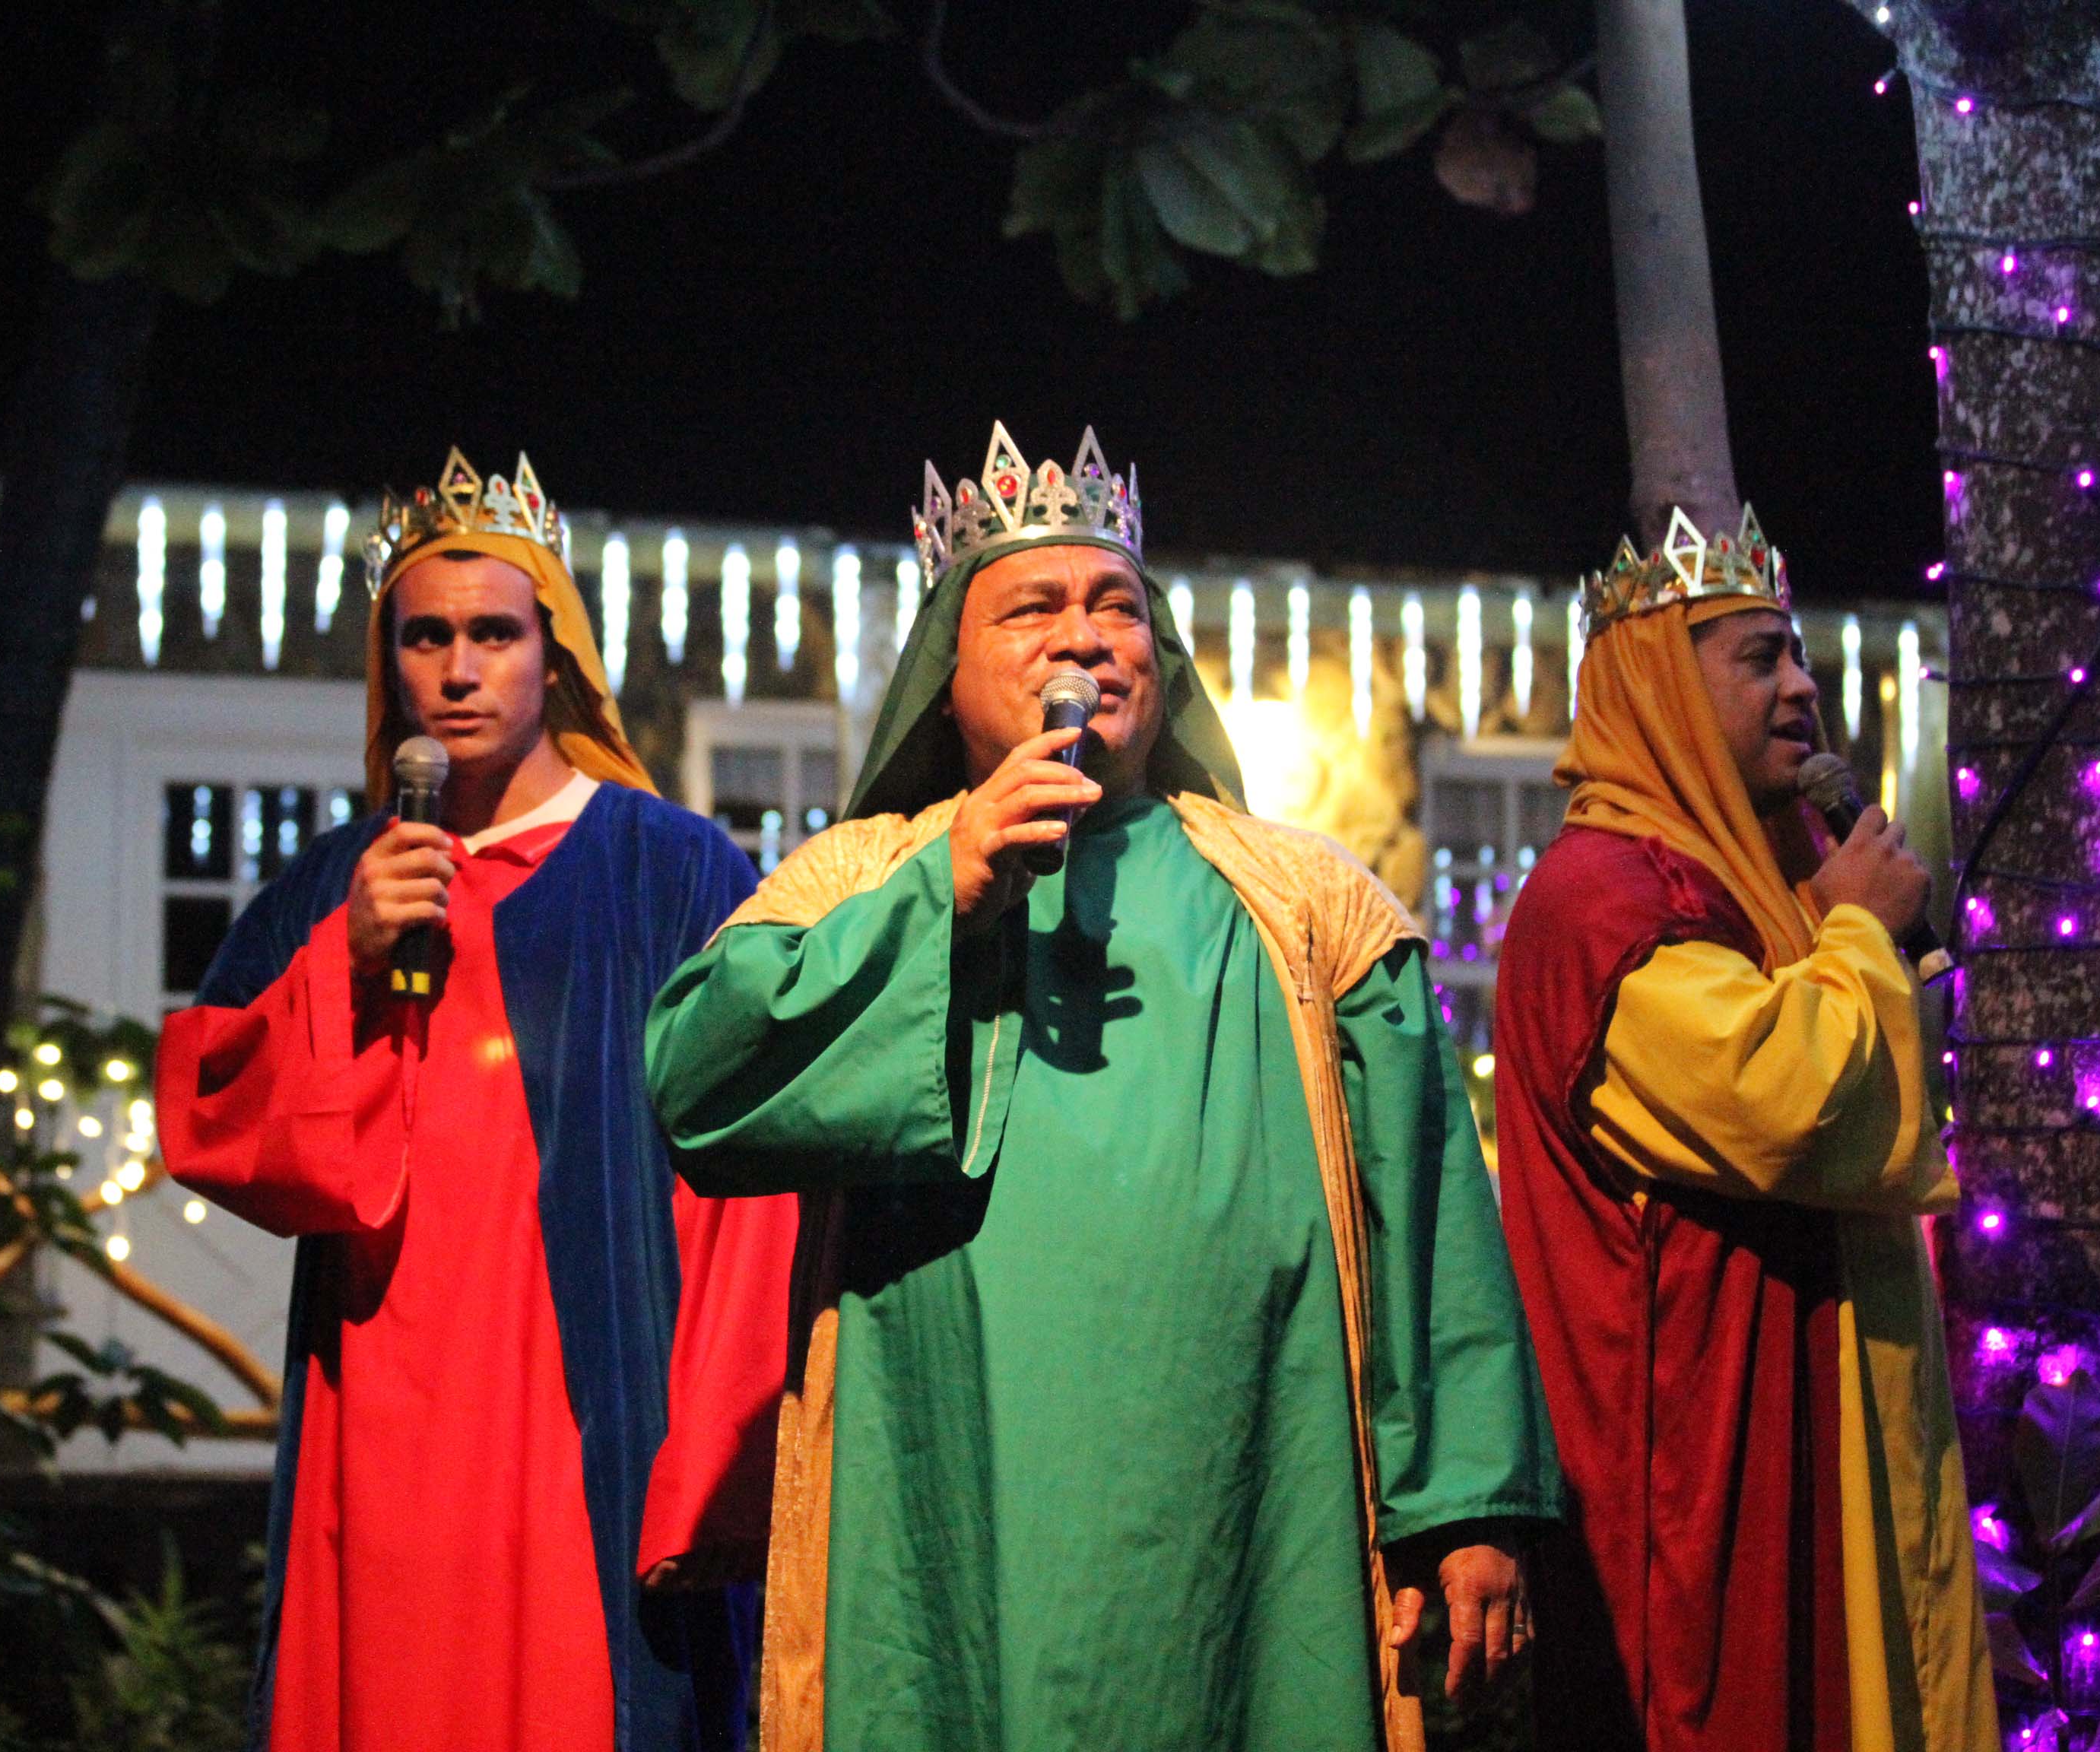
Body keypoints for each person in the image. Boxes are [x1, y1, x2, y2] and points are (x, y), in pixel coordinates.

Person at [642, 424, 1561, 1752]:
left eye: (1117, 608)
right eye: (1034, 607)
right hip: (946, 1482)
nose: (1086, 637)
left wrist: (1467, 1504)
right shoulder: (856, 876)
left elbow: (1425, 1207)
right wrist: (943, 886)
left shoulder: (1310, 903)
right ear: (946, 674)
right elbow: (698, 1084)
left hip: (1255, 1494)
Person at [155, 449, 801, 1752]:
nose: (458, 669)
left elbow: (759, 1151)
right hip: (388, 1393)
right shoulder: (334, 880)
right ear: (386, 661)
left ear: (550, 653)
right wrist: (341, 953)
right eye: (426, 636)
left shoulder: (671, 871)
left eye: (493, 634)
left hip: (598, 1391)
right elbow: (213, 1112)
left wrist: (723, 1448)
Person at [1493, 507, 1996, 1752]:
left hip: (1810, 1432)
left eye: (1801, 657)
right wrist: (1859, 933)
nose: (1802, 688)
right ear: (1662, 690)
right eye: (1758, 658)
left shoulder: (1759, 878)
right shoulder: (1603, 901)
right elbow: (1783, 1098)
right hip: (1705, 1483)